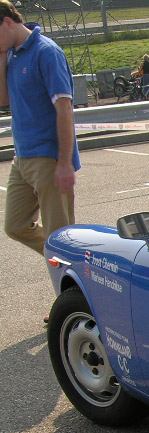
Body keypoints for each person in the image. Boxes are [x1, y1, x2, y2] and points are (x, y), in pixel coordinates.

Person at [0, 0, 80, 271]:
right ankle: (69, 260)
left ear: (7, 22)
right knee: (15, 226)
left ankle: (70, 299)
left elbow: (64, 109)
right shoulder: (12, 54)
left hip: (49, 158)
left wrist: (65, 162)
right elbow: (3, 98)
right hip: (21, 157)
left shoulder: (46, 52)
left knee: (60, 237)